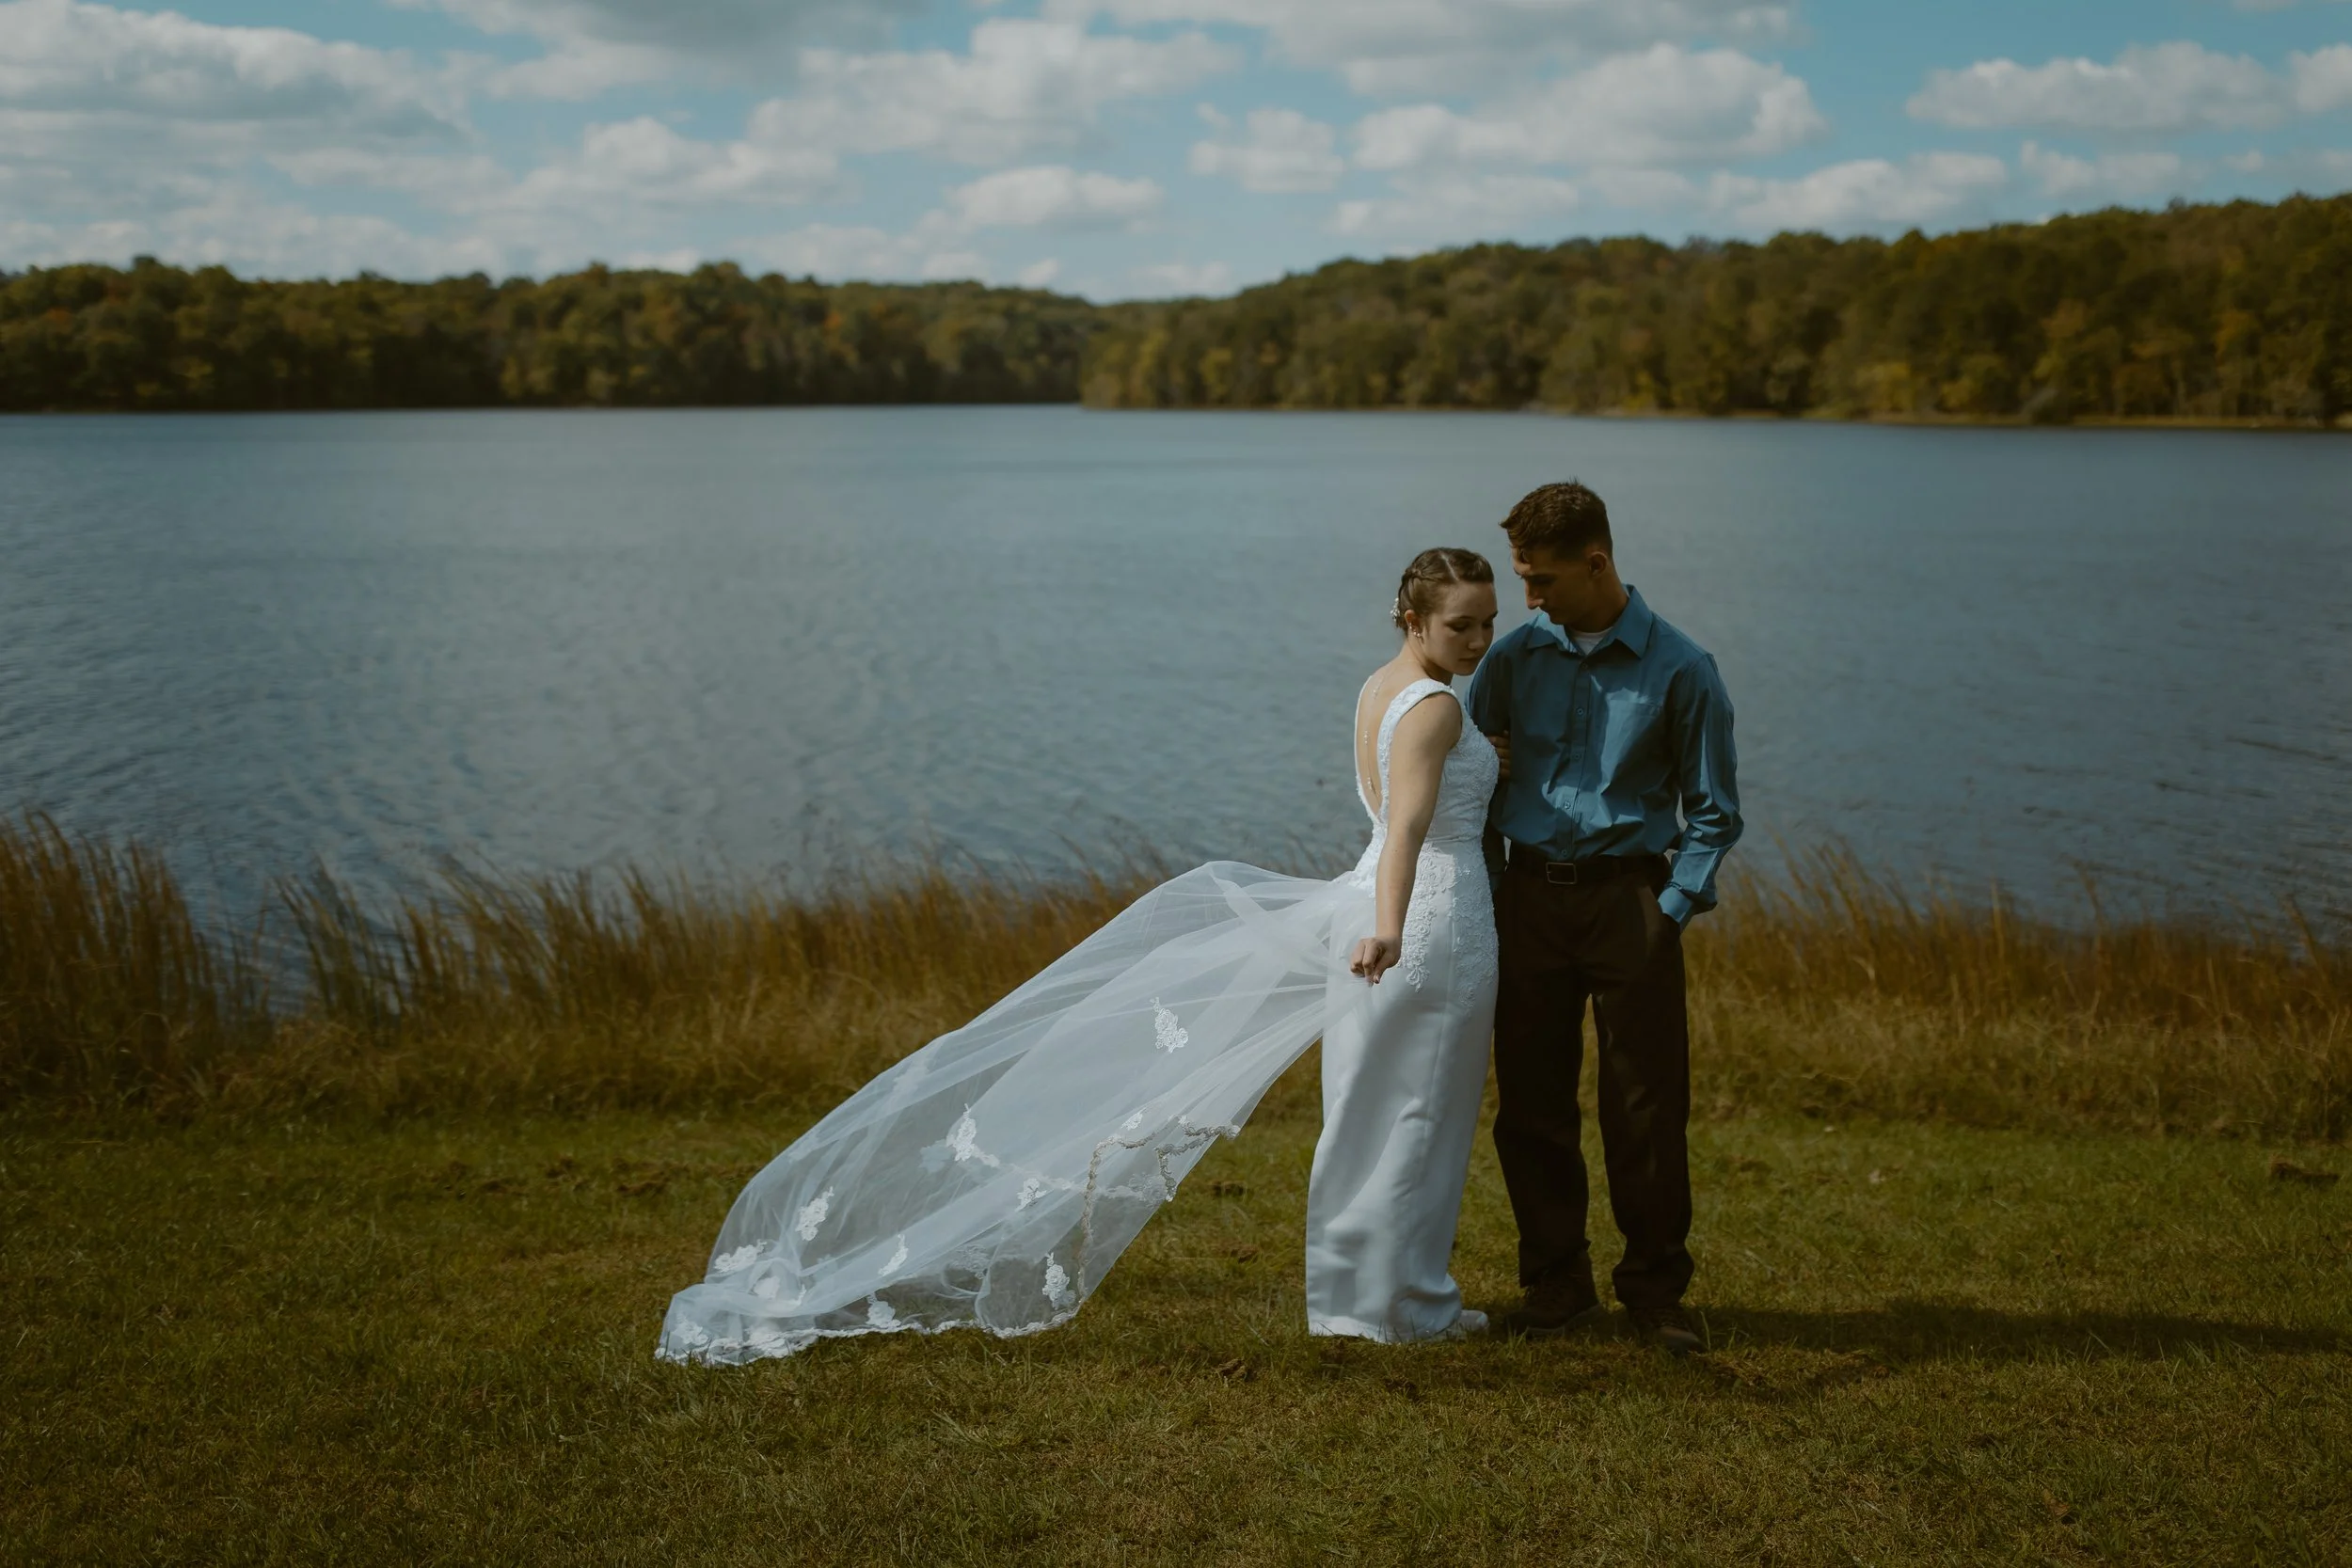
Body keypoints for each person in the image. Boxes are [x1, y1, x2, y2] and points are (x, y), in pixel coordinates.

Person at [657, 549, 1502, 1364]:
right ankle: (1408, 1306)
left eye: (1488, 625)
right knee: (1420, 1118)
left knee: (1363, 1116)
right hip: (1426, 921)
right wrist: (1392, 924)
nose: (1478, 642)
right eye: (1461, 626)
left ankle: (1357, 1302)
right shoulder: (1436, 707)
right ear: (1413, 617)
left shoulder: (1381, 689)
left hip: (1361, 913)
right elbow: (1407, 830)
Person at [1465, 481, 1741, 1356]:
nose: (1529, 598)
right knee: (1532, 1104)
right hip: (1529, 902)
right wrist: (1490, 889)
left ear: (1598, 561)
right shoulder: (1509, 662)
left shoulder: (1683, 668)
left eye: (1541, 580)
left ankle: (1656, 1293)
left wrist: (1669, 909)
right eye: (1521, 580)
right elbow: (1470, 788)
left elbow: (1713, 812)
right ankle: (1556, 1284)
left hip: (1634, 904)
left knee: (1646, 1108)